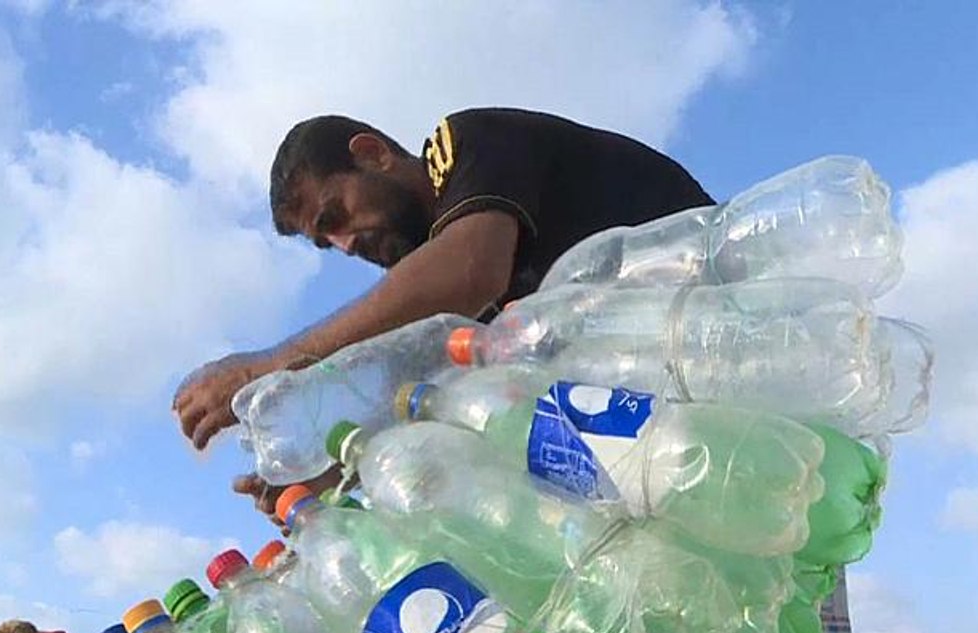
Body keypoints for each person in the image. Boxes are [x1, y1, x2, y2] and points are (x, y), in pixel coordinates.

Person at [172, 107, 714, 513]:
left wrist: (271, 366)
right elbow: (444, 396)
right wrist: (333, 471)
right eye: (324, 241)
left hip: (722, 317)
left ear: (372, 154)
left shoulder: (466, 144)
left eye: (336, 215)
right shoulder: (458, 304)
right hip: (682, 408)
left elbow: (468, 269)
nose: (344, 245)